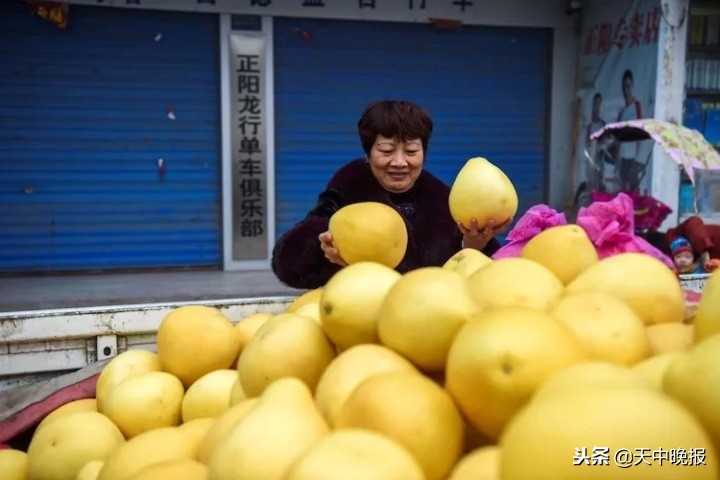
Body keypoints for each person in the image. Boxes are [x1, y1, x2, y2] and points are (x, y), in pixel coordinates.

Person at [271, 100, 509, 289]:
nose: (399, 162)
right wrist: (327, 252)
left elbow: (475, 274)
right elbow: (291, 263)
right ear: (368, 153)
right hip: (365, 312)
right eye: (386, 150)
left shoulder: (444, 198)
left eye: (411, 151)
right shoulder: (350, 184)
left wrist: (474, 243)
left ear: (423, 154)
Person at [616, 69, 643, 191]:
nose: (626, 89)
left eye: (628, 85)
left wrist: (636, 158)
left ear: (632, 86)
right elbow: (617, 138)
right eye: (624, 86)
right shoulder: (621, 112)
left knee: (634, 191)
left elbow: (641, 133)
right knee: (622, 191)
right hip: (623, 157)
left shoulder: (637, 106)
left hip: (633, 157)